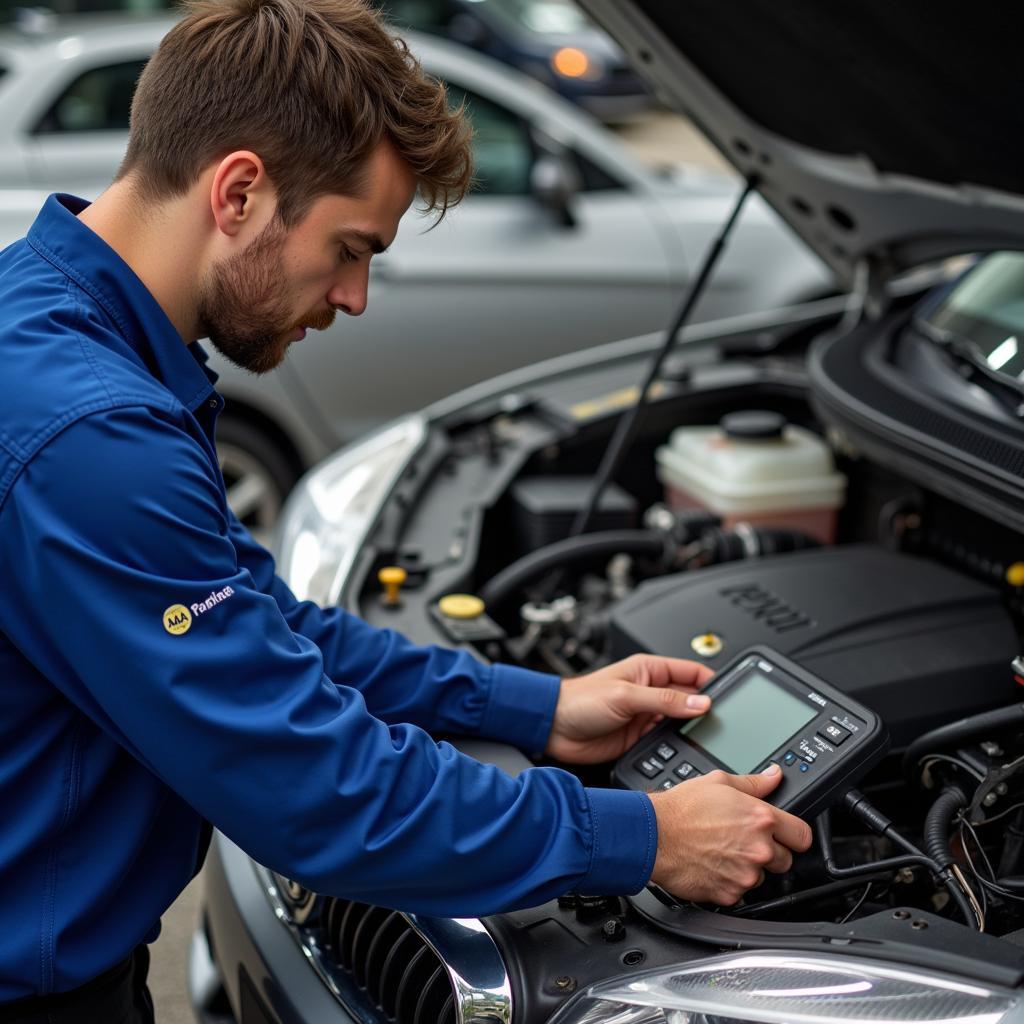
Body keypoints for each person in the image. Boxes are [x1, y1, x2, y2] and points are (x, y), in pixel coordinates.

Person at [0, 0, 812, 1017]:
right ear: (240, 191)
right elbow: (315, 790)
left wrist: (538, 707)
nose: (355, 296)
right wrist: (644, 835)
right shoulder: (92, 437)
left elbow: (265, 630)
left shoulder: (50, 322)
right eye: (350, 247)